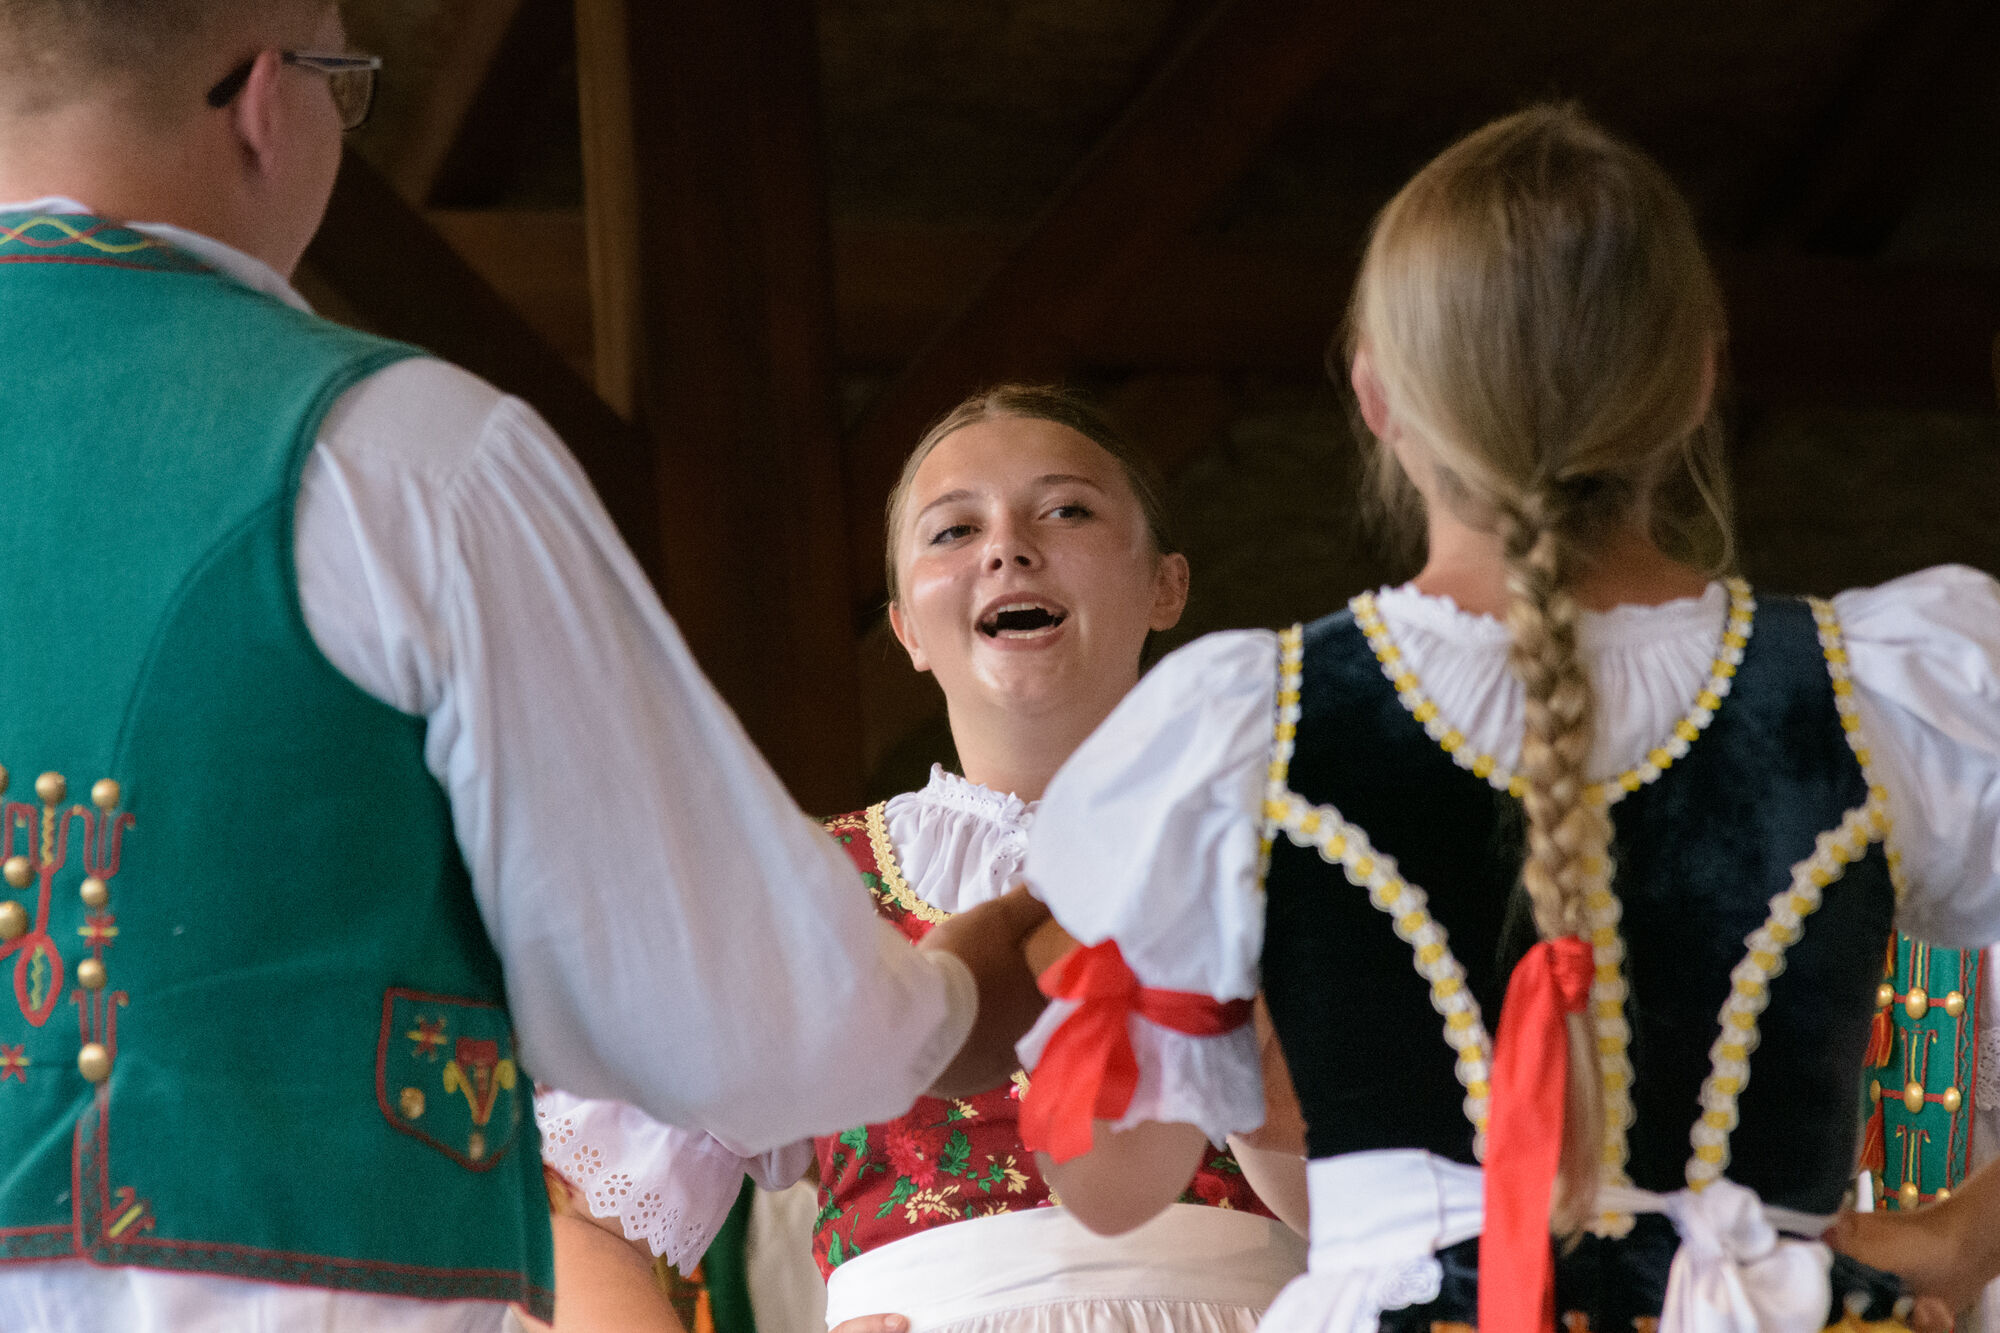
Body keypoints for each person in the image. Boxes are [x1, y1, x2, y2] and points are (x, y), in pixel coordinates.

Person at [0, 3, 1042, 1329]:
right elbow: (719, 998)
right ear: (267, 103)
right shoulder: (403, 455)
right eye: (341, 84)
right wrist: (950, 1000)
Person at [1008, 104, 2000, 1331]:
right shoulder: (1887, 688)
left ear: (1375, 393)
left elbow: (1106, 1183)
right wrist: (1962, 1236)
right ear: (1695, 378)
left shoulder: (1248, 727)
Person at [533, 386, 1310, 1333]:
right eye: (954, 530)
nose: (1007, 547)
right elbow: (576, 1227)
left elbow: (1424, 1191)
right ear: (905, 626)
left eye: (1066, 510)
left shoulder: (1303, 855)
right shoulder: (802, 890)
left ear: (1166, 585)